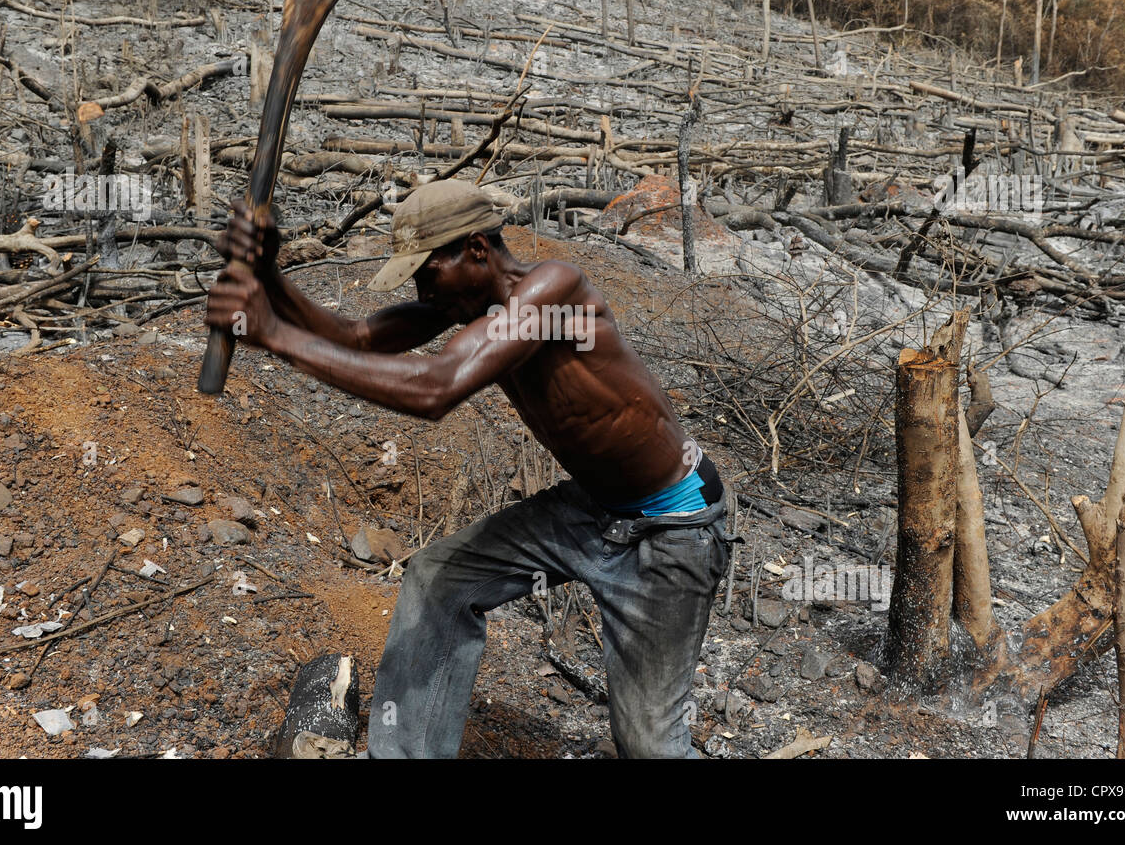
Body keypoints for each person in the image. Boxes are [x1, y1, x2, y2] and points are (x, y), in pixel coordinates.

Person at [206, 179, 732, 758]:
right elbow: (356, 337)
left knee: (651, 747)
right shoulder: (470, 302)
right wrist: (270, 275)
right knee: (438, 580)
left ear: (476, 249)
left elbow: (436, 388)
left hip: (672, 529)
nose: (420, 288)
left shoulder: (555, 291)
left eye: (427, 271)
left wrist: (274, 335)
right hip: (592, 510)